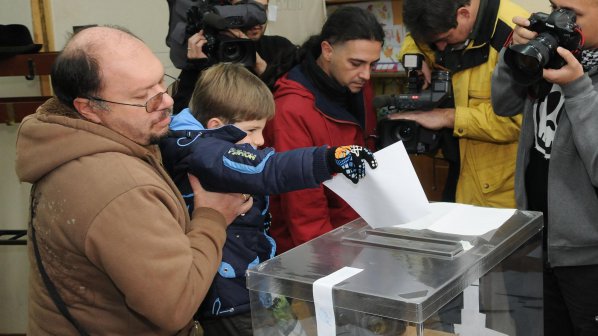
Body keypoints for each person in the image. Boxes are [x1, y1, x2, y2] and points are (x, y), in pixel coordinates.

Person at [14, 26, 253, 335]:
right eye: (144, 97)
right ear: (89, 109)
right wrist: (213, 217)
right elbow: (175, 306)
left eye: (160, 83)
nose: (166, 102)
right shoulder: (117, 186)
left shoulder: (70, 140)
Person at [159, 62, 377, 336]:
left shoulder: (202, 142)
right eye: (251, 130)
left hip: (253, 283)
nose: (261, 140)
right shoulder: (205, 152)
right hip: (230, 299)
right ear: (216, 126)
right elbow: (266, 169)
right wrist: (329, 158)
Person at [492, 0, 598, 334]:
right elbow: (504, 104)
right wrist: (514, 53)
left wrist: (577, 87)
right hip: (537, 236)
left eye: (572, 15)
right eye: (554, 8)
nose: (559, 21)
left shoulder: (578, 71)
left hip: (588, 257)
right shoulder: (554, 50)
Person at [263, 6, 385, 254]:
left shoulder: (357, 88)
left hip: (357, 235)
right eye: (356, 63)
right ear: (327, 50)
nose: (366, 75)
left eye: (373, 64)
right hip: (316, 250)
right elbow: (304, 210)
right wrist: (331, 269)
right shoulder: (291, 109)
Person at [389, 0, 529, 208]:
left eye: (444, 39)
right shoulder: (438, 21)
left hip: (495, 187)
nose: (440, 48)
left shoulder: (516, 36)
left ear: (463, 14)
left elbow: (518, 122)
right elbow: (415, 39)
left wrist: (447, 117)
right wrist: (414, 57)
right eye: (433, 42)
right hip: (456, 166)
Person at [166, 0, 297, 113]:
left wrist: (258, 63)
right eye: (243, 9)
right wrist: (195, 68)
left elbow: (293, 100)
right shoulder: (210, 51)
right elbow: (182, 114)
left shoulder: (280, 47)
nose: (256, 21)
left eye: (262, 9)